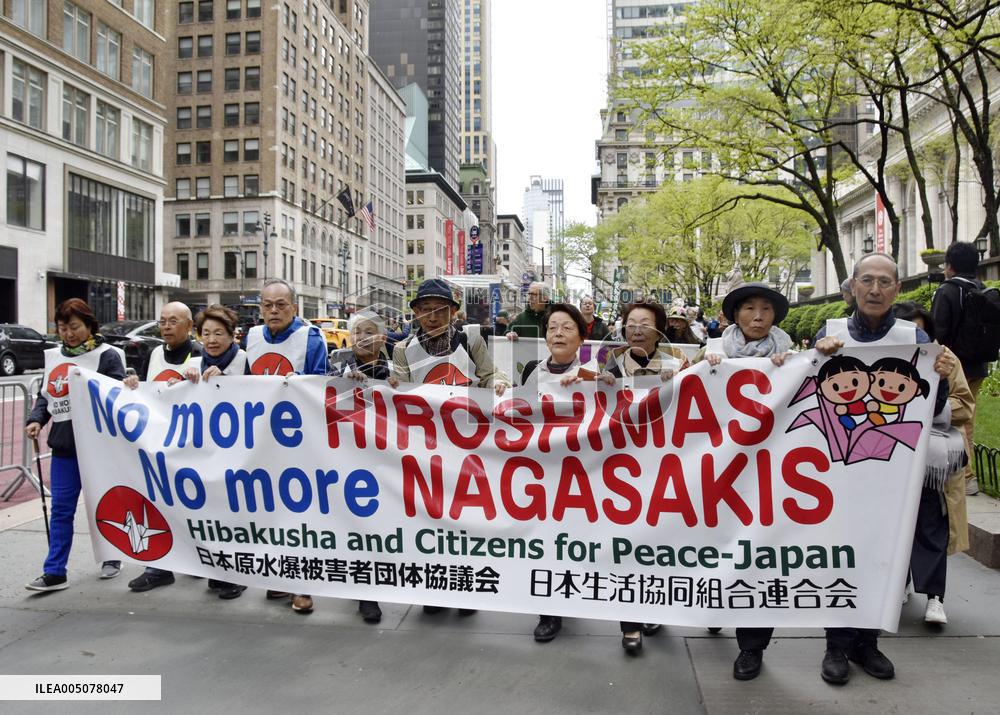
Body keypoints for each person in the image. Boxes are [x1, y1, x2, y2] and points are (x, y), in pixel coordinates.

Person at [813, 253, 954, 685]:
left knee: (882, 555)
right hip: (841, 472)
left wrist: (942, 376)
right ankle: (836, 645)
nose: (875, 289)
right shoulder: (830, 334)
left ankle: (868, 642)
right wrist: (817, 356)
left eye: (885, 282)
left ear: (897, 289)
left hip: (894, 474)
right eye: (867, 280)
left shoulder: (914, 337)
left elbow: (932, 404)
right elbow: (810, 395)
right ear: (852, 286)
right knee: (842, 555)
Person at [389, 278, 509, 617]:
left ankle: (467, 589)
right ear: (415, 313)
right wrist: (392, 386)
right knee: (428, 519)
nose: (432, 317)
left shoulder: (470, 340)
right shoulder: (403, 349)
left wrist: (499, 383)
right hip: (425, 447)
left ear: (453, 312)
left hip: (468, 444)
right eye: (425, 310)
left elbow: (489, 374)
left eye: (440, 310)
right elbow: (399, 395)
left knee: (466, 519)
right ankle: (435, 588)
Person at [697, 283, 793, 681]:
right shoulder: (712, 354)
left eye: (765, 309)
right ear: (734, 315)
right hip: (720, 472)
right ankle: (717, 605)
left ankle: (752, 646)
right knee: (717, 546)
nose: (757, 316)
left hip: (769, 474)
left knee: (761, 556)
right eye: (749, 308)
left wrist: (793, 368)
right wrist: (704, 368)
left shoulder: (790, 358)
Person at [603, 300, 688, 654]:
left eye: (645, 323)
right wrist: (602, 385)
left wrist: (679, 383)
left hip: (665, 466)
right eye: (631, 323)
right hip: (623, 469)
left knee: (659, 546)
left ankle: (655, 609)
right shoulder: (610, 363)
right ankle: (630, 623)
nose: (637, 329)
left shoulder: (677, 362)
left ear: (659, 329)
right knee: (627, 546)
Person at [25, 298, 125, 591]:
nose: (68, 333)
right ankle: (55, 571)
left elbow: (117, 395)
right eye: (62, 327)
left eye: (74, 326)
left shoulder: (107, 356)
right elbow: (47, 395)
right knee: (61, 509)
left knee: (106, 505)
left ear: (89, 325)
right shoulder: (54, 358)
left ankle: (112, 556)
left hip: (99, 448)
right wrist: (36, 419)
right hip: (65, 448)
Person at [247, 278, 329, 614]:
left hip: (300, 441)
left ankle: (302, 585)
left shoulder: (311, 338)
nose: (274, 310)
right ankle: (280, 575)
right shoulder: (252, 337)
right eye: (267, 304)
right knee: (269, 511)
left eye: (281, 304)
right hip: (263, 440)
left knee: (300, 514)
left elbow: (321, 385)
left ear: (294, 307)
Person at [520, 303, 598, 642]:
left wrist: (588, 379)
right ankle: (549, 612)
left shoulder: (596, 371)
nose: (558, 334)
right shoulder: (532, 371)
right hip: (543, 474)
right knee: (547, 541)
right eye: (552, 327)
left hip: (587, 474)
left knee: (578, 541)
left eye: (567, 327)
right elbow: (519, 416)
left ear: (581, 336)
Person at [893, 301, 974, 626]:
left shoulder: (944, 358)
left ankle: (934, 596)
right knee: (893, 528)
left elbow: (964, 404)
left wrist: (929, 409)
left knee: (931, 525)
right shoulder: (880, 358)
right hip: (890, 459)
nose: (916, 338)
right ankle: (897, 584)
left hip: (933, 462)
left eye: (920, 331)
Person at [123, 301, 201, 594]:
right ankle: (158, 568)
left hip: (191, 446)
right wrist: (133, 383)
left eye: (173, 321)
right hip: (158, 444)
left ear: (189, 326)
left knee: (193, 508)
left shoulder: (200, 354)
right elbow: (144, 391)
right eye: (163, 321)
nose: (166, 327)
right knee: (156, 503)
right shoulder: (155, 353)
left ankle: (198, 560)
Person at [179, 305, 249, 599]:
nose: (211, 340)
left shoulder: (244, 360)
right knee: (211, 512)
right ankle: (216, 569)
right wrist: (180, 383)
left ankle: (237, 574)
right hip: (205, 452)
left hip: (240, 452)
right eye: (206, 333)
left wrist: (226, 381)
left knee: (236, 513)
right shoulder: (194, 363)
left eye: (218, 333)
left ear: (232, 336)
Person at [329, 309, 391, 625]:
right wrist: (342, 384)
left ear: (383, 337)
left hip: (389, 461)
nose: (363, 338)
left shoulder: (397, 369)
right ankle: (367, 594)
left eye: (369, 331)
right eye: (357, 332)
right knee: (359, 528)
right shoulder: (336, 365)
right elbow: (312, 394)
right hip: (350, 461)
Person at [931, 240, 989, 495]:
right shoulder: (982, 288)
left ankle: (965, 476)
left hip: (952, 367)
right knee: (968, 419)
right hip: (978, 365)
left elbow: (938, 332)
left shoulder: (947, 291)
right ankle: (968, 473)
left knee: (957, 419)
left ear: (950, 266)